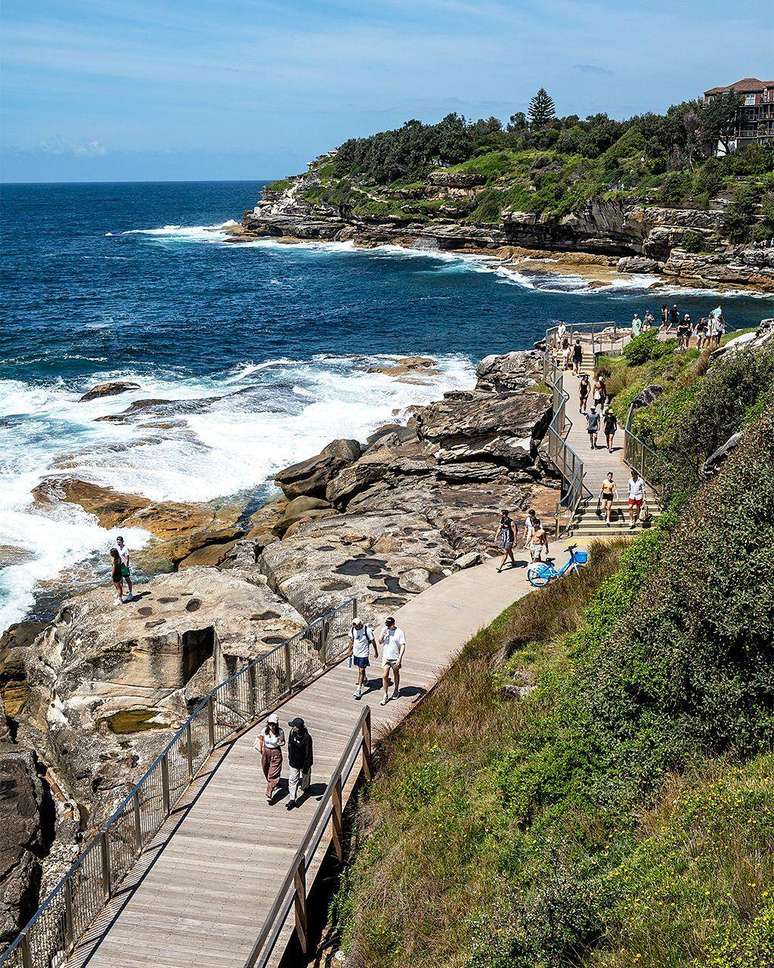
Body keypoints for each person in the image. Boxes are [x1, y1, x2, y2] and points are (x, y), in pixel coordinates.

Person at [256, 713, 285, 804]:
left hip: (276, 752)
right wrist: (261, 749)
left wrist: (281, 743)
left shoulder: (280, 732)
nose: (271, 726)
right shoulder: (264, 730)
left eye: (273, 724)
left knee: (272, 773)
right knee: (265, 769)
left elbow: (283, 742)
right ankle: (273, 783)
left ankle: (269, 792)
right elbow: (260, 739)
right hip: (266, 751)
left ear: (276, 724)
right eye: (270, 724)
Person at [286, 717, 313, 810]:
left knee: (306, 776)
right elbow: (289, 745)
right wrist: (290, 757)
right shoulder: (292, 733)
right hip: (294, 762)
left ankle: (306, 787)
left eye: (294, 726)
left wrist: (307, 765)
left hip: (304, 762)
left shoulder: (307, 738)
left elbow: (308, 753)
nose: (292, 727)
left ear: (298, 728)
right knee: (292, 780)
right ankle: (292, 799)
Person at [378, 617, 406, 706]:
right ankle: (385, 695)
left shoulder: (399, 632)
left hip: (395, 657)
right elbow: (380, 641)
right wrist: (383, 634)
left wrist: (400, 658)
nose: (388, 626)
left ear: (393, 624)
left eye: (390, 625)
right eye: (387, 625)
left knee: (396, 674)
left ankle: (396, 690)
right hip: (386, 657)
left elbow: (402, 645)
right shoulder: (385, 629)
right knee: (385, 675)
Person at [349, 617, 378, 699]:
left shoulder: (367, 630)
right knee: (360, 669)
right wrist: (349, 651)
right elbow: (351, 640)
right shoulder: (353, 629)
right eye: (355, 626)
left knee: (361, 670)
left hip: (364, 653)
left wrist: (376, 651)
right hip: (356, 652)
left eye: (357, 626)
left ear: (360, 624)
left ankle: (359, 689)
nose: (356, 628)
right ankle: (365, 680)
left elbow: (373, 641)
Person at [114, 536, 133, 602]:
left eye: (119, 542)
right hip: (119, 566)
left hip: (124, 566)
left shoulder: (125, 549)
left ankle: (130, 593)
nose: (118, 543)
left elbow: (127, 558)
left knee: (128, 580)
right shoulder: (117, 547)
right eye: (117, 542)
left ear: (122, 541)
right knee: (120, 580)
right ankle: (120, 593)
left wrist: (126, 566)